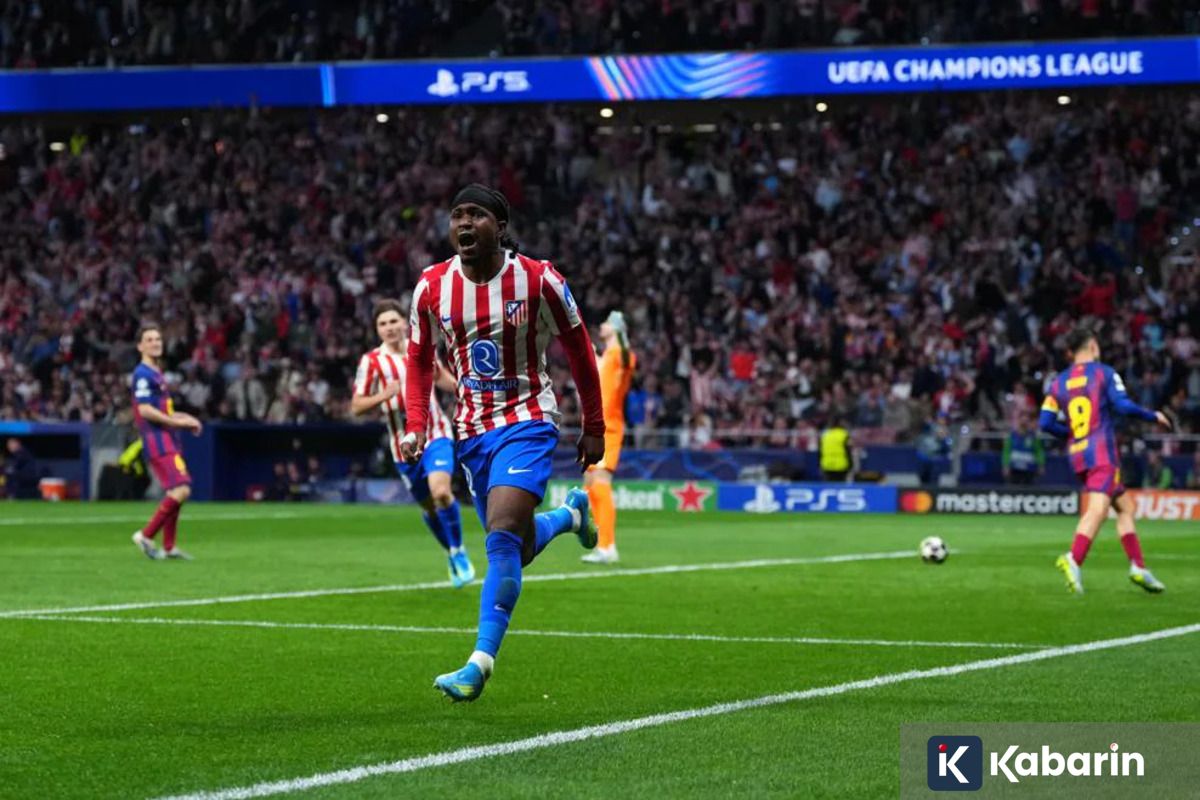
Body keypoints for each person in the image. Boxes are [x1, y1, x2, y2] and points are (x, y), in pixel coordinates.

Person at [401, 184, 604, 702]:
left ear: (501, 227)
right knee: (516, 544)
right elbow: (420, 360)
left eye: (477, 215)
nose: (464, 224)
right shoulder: (432, 286)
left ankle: (479, 663)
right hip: (472, 431)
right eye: (457, 215)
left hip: (528, 419)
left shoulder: (539, 279)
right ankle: (570, 517)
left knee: (504, 532)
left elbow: (580, 349)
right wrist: (416, 422)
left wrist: (594, 424)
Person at [1039, 326, 1174, 594]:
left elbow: (1045, 423)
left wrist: (1073, 434)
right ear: (1092, 345)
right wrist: (1153, 416)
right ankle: (1073, 559)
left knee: (1125, 507)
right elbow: (1122, 406)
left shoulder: (1058, 383)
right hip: (1101, 451)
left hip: (1078, 453)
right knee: (1098, 509)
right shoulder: (1104, 373)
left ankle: (1138, 567)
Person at [351, 298, 475, 588]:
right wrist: (384, 395)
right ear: (377, 329)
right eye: (383, 324)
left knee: (441, 492)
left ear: (404, 324)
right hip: (402, 447)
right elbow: (356, 406)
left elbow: (441, 378)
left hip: (435, 434)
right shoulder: (371, 362)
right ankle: (451, 552)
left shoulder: (420, 349)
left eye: (393, 321)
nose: (389, 327)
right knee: (430, 508)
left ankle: (459, 550)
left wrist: (468, 391)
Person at [130, 323, 203, 561]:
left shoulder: (155, 372)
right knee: (182, 488)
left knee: (175, 491)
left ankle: (169, 547)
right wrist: (175, 423)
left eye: (158, 339)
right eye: (149, 340)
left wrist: (184, 418)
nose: (155, 343)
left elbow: (164, 410)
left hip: (167, 438)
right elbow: (145, 410)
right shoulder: (142, 374)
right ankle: (146, 535)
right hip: (158, 441)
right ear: (140, 346)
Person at [583, 310, 636, 565]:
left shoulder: (621, 355)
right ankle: (602, 543)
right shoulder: (606, 358)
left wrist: (621, 331)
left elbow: (626, 359)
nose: (602, 325)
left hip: (609, 427)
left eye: (607, 322)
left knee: (600, 481)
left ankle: (607, 546)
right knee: (589, 483)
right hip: (593, 427)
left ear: (615, 328)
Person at [1002, 414, 1045, 485]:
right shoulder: (1011, 435)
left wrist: (1041, 465)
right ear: (1019, 422)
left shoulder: (1033, 436)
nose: (1024, 423)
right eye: (1022, 421)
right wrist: (1006, 465)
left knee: (1029, 489)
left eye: (1026, 421)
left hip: (1029, 469)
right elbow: (1006, 452)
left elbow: (1039, 451)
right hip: (1014, 468)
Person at [819, 415, 853, 482]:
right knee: (840, 485)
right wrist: (851, 464)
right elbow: (848, 450)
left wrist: (820, 465)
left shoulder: (825, 434)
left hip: (826, 465)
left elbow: (820, 450)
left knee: (829, 485)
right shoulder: (844, 434)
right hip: (841, 465)